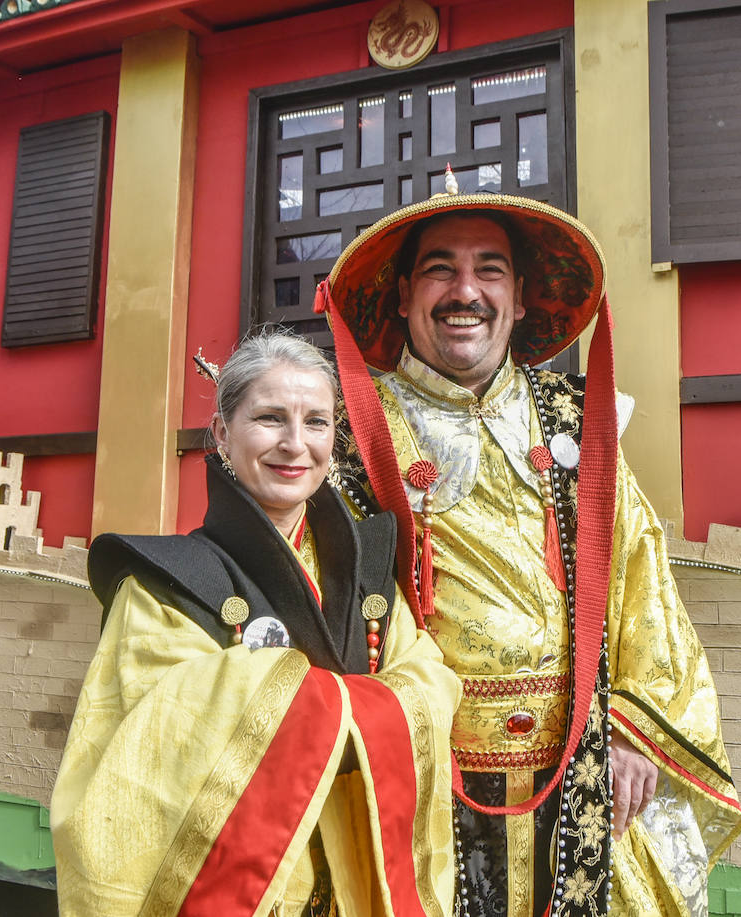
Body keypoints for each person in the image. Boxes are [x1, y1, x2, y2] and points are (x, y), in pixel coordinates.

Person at [316, 178, 741, 917]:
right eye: (439, 268)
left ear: (519, 298)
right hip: (416, 767)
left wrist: (637, 727)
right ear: (402, 296)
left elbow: (642, 578)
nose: (465, 291)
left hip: (578, 758)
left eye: (489, 269)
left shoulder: (580, 421)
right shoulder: (347, 427)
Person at [50, 331, 460, 917]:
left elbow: (430, 682)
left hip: (357, 886)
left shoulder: (368, 571)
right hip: (253, 894)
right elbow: (149, 747)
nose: (296, 445)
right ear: (222, 433)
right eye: (270, 418)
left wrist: (289, 697)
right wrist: (359, 706)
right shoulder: (167, 584)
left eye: (316, 423)